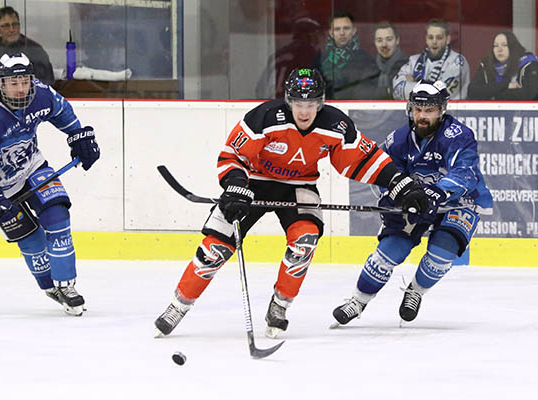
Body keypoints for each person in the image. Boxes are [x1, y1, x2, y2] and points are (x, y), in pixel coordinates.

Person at [154, 68, 436, 339]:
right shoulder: (264, 117)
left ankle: (280, 305)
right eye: (299, 103)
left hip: (298, 186)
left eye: (311, 103)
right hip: (251, 183)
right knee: (216, 247)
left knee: (305, 240)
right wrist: (235, 186)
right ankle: (178, 306)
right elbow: (232, 155)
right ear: (289, 101)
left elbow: (363, 160)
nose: (304, 110)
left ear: (321, 102)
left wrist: (402, 184)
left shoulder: (335, 125)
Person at [332, 80, 493, 326]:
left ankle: (415, 291)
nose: (422, 116)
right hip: (418, 202)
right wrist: (396, 195)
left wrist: (438, 192)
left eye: (429, 110)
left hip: (459, 202)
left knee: (443, 251)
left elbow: (465, 173)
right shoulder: (399, 139)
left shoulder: (458, 136)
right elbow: (382, 173)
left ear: (442, 110)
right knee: (390, 251)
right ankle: (358, 300)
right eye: (418, 109)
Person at [0, 53, 100, 316]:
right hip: (0, 188)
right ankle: (49, 286)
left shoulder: (41, 94)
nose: (21, 88)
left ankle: (67, 286)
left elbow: (60, 109)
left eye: (25, 80)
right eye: (14, 82)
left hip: (32, 167)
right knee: (32, 241)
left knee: (58, 217)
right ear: (1, 83)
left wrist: (77, 134)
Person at [0, 6, 55, 96]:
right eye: (6, 26)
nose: (12, 29)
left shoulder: (35, 49)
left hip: (28, 104)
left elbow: (47, 83)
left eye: (15, 24)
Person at [393, 19, 470, 100]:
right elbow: (397, 90)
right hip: (417, 111)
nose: (434, 41)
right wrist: (433, 85)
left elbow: (442, 95)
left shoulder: (457, 62)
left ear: (447, 40)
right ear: (426, 39)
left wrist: (413, 84)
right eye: (430, 37)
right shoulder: (413, 61)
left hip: (451, 112)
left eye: (439, 38)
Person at [312, 11, 379, 100]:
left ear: (354, 31)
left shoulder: (366, 60)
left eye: (346, 28)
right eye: (337, 29)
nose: (342, 33)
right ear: (331, 33)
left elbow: (368, 92)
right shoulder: (320, 59)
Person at [468, 30, 538, 100]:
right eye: (495, 46)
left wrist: (493, 96)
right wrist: (506, 85)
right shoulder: (486, 65)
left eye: (504, 45)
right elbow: (472, 92)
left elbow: (530, 94)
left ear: (513, 47)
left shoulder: (529, 63)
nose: (499, 49)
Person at [371, 21, 409, 100]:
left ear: (397, 40)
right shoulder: (369, 66)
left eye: (389, 39)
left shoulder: (408, 66)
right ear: (374, 42)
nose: (384, 44)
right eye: (379, 40)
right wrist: (389, 91)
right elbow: (361, 93)